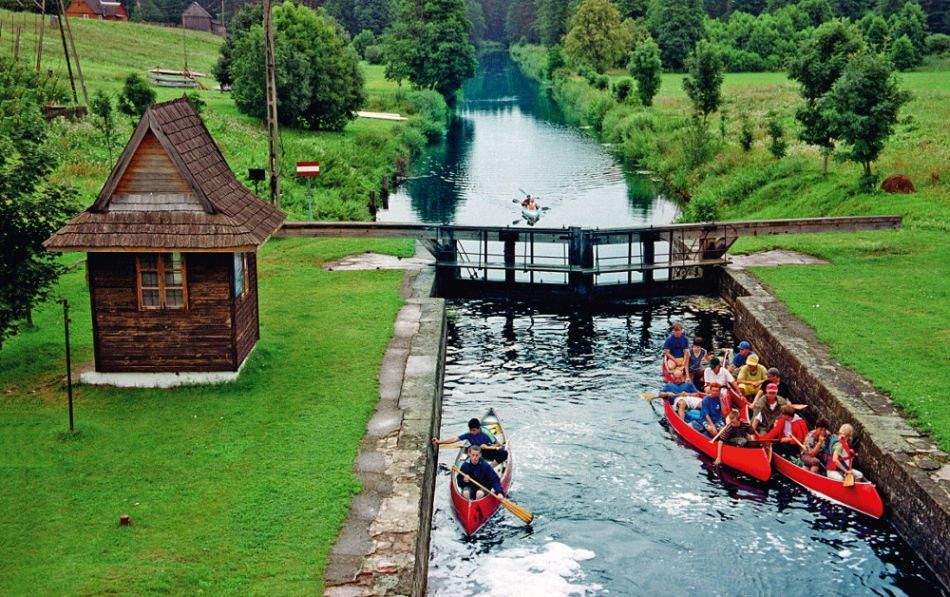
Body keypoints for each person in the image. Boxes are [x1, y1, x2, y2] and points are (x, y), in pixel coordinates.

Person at [432, 418, 509, 463]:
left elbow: (498, 444)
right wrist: (440, 442)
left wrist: (486, 446)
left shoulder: (486, 432)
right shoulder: (468, 433)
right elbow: (455, 439)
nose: (471, 432)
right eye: (470, 430)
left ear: (479, 428)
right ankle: (464, 464)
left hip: (487, 450)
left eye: (474, 430)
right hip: (475, 451)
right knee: (467, 450)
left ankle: (491, 467)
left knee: (503, 453)